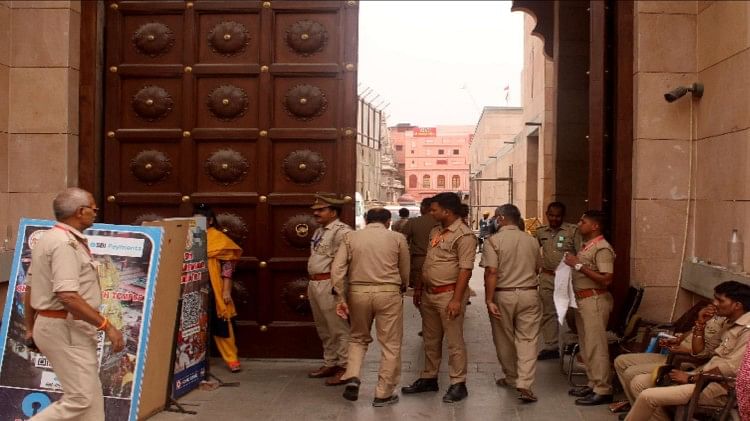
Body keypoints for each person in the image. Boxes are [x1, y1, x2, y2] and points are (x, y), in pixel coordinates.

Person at [23, 188, 125, 420]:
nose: (96, 213)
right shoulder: (63, 244)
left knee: (91, 403)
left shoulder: (50, 238)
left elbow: (29, 290)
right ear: (81, 211)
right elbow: (67, 296)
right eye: (94, 209)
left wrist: (31, 329)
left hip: (58, 326)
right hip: (65, 328)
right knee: (80, 399)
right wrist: (107, 326)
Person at [626, 281, 750, 421]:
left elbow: (731, 368)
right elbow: (702, 351)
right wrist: (701, 323)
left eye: (720, 300)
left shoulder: (747, 330)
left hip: (716, 387)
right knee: (639, 384)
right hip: (700, 376)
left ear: (737, 305)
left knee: (647, 396)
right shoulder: (729, 322)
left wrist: (691, 378)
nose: (714, 303)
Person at [402, 192, 477, 403]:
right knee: (430, 339)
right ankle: (429, 377)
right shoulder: (435, 230)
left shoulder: (464, 235)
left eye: (434, 209)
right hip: (429, 294)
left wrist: (456, 299)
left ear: (447, 211)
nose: (430, 212)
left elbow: (465, 269)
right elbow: (429, 261)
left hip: (448, 295)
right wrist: (419, 287)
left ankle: (458, 383)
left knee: (454, 341)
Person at [331, 207, 410, 407]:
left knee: (357, 338)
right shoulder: (398, 238)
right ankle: (383, 393)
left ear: (366, 220)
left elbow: (337, 268)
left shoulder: (351, 237)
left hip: (358, 293)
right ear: (388, 222)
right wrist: (402, 286)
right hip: (388, 292)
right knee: (390, 344)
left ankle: (353, 376)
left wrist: (340, 296)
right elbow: (404, 269)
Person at [481, 204, 542, 403]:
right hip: (529, 294)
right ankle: (524, 382)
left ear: (500, 219)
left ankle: (511, 377)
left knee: (504, 337)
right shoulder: (532, 241)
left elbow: (491, 271)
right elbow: (538, 268)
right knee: (528, 339)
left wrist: (489, 299)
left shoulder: (493, 241)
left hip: (503, 294)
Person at [563, 210, 615, 406]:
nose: (578, 224)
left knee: (596, 346)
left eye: (583, 221)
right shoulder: (587, 246)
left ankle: (603, 389)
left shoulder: (602, 248)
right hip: (583, 301)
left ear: (595, 226)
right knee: (586, 346)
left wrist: (578, 266)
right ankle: (593, 383)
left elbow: (607, 278)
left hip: (594, 300)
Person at [307, 194, 353, 385]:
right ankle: (330, 362)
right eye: (315, 210)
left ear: (333, 212)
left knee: (338, 328)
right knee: (323, 327)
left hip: (330, 284)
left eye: (321, 209)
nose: (316, 213)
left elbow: (345, 262)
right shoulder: (320, 231)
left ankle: (345, 367)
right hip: (315, 283)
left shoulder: (342, 231)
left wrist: (339, 290)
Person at [194, 204, 243, 373]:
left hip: (214, 287)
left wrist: (226, 290)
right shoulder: (189, 238)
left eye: (200, 220)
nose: (197, 223)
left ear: (210, 221)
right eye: (194, 220)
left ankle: (231, 358)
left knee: (222, 322)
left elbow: (227, 268)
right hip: (193, 286)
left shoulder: (219, 239)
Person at [535, 202, 580, 360]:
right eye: (552, 215)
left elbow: (580, 253)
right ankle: (551, 346)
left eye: (558, 216)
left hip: (567, 277)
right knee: (548, 312)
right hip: (547, 277)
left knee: (571, 312)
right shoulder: (540, 232)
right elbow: (534, 252)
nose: (554, 218)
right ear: (547, 214)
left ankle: (578, 340)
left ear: (563, 216)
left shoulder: (572, 231)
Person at [402, 197, 437, 290]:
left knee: (419, 290)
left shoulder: (413, 222)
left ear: (423, 208)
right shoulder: (442, 222)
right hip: (439, 261)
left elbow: (402, 241)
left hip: (419, 260)